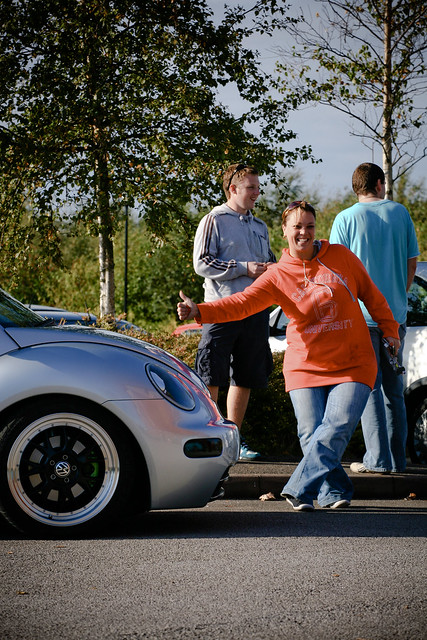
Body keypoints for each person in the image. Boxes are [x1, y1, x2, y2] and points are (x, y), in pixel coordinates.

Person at [178, 200, 400, 511]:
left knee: (336, 425)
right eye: (297, 226)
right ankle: (334, 491)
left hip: (354, 361)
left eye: (309, 226)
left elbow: (373, 296)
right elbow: (240, 304)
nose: (304, 232)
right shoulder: (277, 275)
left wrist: (390, 331)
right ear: (284, 231)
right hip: (305, 364)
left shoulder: (341, 257)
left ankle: (297, 488)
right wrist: (199, 311)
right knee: (311, 433)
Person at [330, 163, 419, 474]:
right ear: (380, 184)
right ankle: (398, 462)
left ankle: (376, 460)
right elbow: (411, 265)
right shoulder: (401, 213)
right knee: (395, 391)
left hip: (361, 317)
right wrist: (396, 296)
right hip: (394, 316)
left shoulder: (344, 218)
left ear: (357, 188)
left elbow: (337, 273)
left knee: (370, 387)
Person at [192, 163, 276, 460]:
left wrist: (271, 270)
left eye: (257, 186)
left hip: (255, 312)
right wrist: (244, 268)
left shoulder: (260, 226)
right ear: (233, 189)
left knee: (245, 376)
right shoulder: (213, 220)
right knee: (212, 373)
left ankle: (233, 441)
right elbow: (201, 263)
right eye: (251, 187)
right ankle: (210, 438)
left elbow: (270, 263)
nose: (257, 192)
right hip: (221, 310)